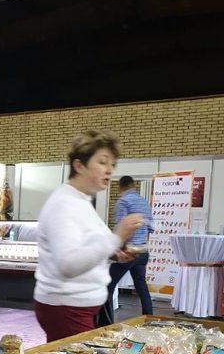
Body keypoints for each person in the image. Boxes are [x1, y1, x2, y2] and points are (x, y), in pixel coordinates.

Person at [33, 130, 143, 342]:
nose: (109, 170)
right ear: (79, 165)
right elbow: (68, 263)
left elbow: (85, 245)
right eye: (102, 162)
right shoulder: (64, 204)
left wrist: (113, 253)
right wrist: (116, 237)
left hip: (78, 307)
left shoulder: (81, 201)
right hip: (66, 308)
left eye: (112, 165)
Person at [105, 176, 154, 320]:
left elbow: (122, 228)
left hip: (129, 251)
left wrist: (118, 250)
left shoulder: (123, 202)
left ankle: (106, 321)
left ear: (120, 187)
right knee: (141, 286)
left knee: (108, 285)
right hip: (143, 251)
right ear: (133, 186)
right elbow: (151, 228)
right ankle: (149, 317)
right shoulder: (144, 202)